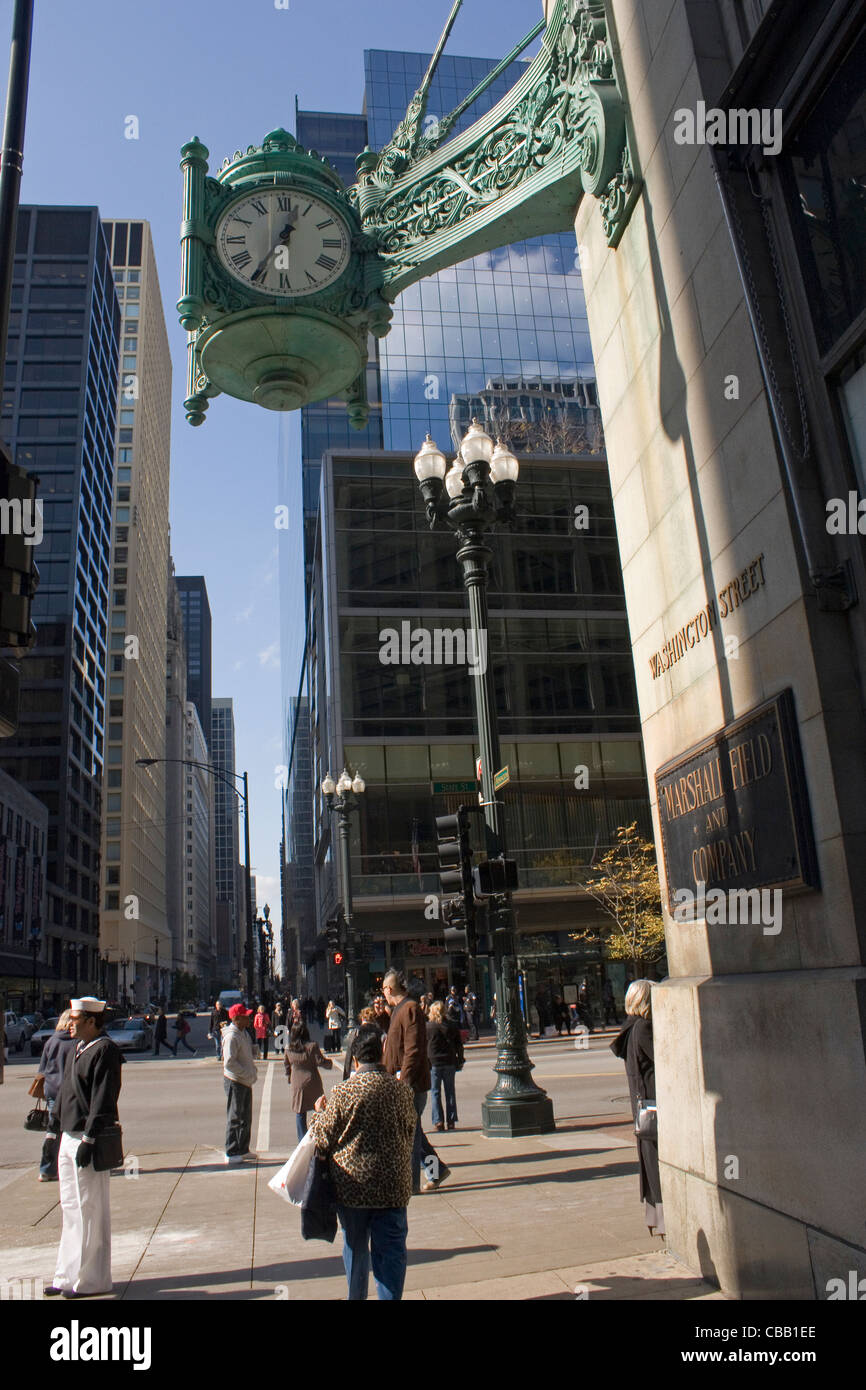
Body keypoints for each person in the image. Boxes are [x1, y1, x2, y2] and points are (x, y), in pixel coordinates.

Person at [310, 1023, 416, 1301]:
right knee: (391, 1256)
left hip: (353, 1188)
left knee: (356, 1250)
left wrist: (318, 1112)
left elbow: (321, 1139)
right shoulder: (402, 1091)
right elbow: (410, 1133)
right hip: (393, 1187)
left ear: (355, 1060)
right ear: (382, 1055)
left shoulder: (344, 1092)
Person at [43, 997, 122, 1298]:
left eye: (75, 1020)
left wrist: (89, 1139)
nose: (69, 1024)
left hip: (87, 1137)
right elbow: (65, 1092)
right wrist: (52, 1131)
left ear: (91, 1021)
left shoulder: (106, 1051)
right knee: (72, 1208)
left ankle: (92, 1279)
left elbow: (104, 1099)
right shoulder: (78, 1048)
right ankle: (67, 1275)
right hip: (68, 1133)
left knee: (90, 1208)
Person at [382, 968, 449, 1194]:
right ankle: (436, 1170)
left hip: (410, 1084)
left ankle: (411, 1184)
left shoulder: (409, 1009)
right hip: (404, 1082)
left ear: (388, 989)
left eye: (383, 989)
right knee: (413, 1132)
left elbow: (412, 1050)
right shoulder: (400, 1010)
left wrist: (404, 1083)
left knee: (409, 1135)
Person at [610, 979, 663, 1236]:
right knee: (656, 1163)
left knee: (651, 1161)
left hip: (643, 1108)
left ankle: (656, 1217)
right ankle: (662, 1219)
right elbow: (664, 1060)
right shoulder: (644, 1028)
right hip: (654, 1105)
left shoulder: (631, 1029)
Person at [36, 1009, 76, 1182]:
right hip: (72, 1092)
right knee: (73, 1130)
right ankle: (71, 1165)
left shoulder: (51, 1041)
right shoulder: (78, 1042)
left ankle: (47, 1169)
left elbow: (42, 1070)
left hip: (52, 1090)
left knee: (53, 1130)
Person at [284, 1020, 333, 1141]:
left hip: (297, 1082)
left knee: (300, 1112)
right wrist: (329, 1063)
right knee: (320, 1107)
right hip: (312, 1080)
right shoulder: (312, 1046)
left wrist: (289, 1076)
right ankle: (321, 1134)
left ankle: (302, 1139)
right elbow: (320, 1061)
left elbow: (286, 1065)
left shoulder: (288, 1048)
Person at [222, 1003, 258, 1165]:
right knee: (235, 1116)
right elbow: (229, 1063)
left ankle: (243, 1149)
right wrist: (247, 1073)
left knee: (245, 1117)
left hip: (245, 1080)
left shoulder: (243, 1033)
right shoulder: (232, 1036)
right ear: (237, 1019)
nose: (249, 1018)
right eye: (246, 1016)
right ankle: (231, 1151)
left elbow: (246, 1054)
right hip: (235, 1081)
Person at [426, 1000, 464, 1131]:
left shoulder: (429, 1027)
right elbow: (459, 1044)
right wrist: (460, 1059)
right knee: (450, 1092)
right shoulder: (452, 1026)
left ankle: (438, 1121)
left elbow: (424, 1046)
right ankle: (451, 1120)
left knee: (435, 1092)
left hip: (434, 1063)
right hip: (449, 1061)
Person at [342, 1006, 378, 1081]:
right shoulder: (380, 1033)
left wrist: (346, 1076)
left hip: (357, 1070)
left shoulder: (355, 1032)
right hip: (377, 1071)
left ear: (362, 1019)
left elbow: (349, 1055)